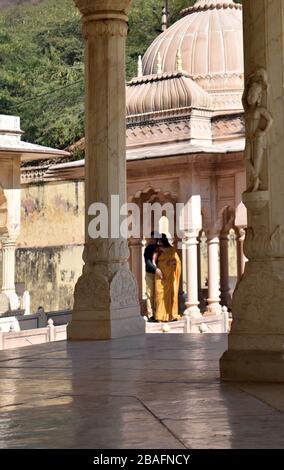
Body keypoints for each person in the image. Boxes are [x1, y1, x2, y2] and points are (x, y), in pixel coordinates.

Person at [153, 234, 181, 323]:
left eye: (159, 240)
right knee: (159, 295)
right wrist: (156, 269)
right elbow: (154, 261)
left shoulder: (172, 250)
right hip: (160, 275)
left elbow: (177, 262)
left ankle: (170, 315)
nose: (158, 242)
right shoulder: (158, 250)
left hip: (169, 276)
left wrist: (172, 263)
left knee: (170, 294)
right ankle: (160, 316)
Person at [144, 231, 163, 320]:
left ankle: (158, 313)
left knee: (158, 294)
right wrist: (156, 270)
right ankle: (151, 315)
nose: (152, 240)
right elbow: (148, 263)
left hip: (159, 275)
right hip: (150, 274)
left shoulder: (159, 249)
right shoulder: (148, 249)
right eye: (151, 238)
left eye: (154, 239)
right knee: (150, 294)